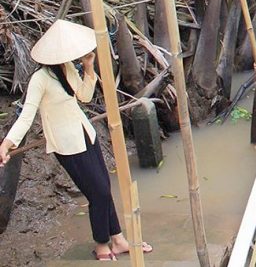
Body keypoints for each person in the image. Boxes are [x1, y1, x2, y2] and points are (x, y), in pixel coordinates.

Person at [0, 20, 154, 261]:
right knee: (98, 192)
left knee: (104, 187)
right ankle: (102, 245)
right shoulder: (40, 79)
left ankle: (118, 239)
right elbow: (26, 117)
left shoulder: (67, 68)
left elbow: (84, 96)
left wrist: (88, 67)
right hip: (66, 145)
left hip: (85, 135)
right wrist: (7, 144)